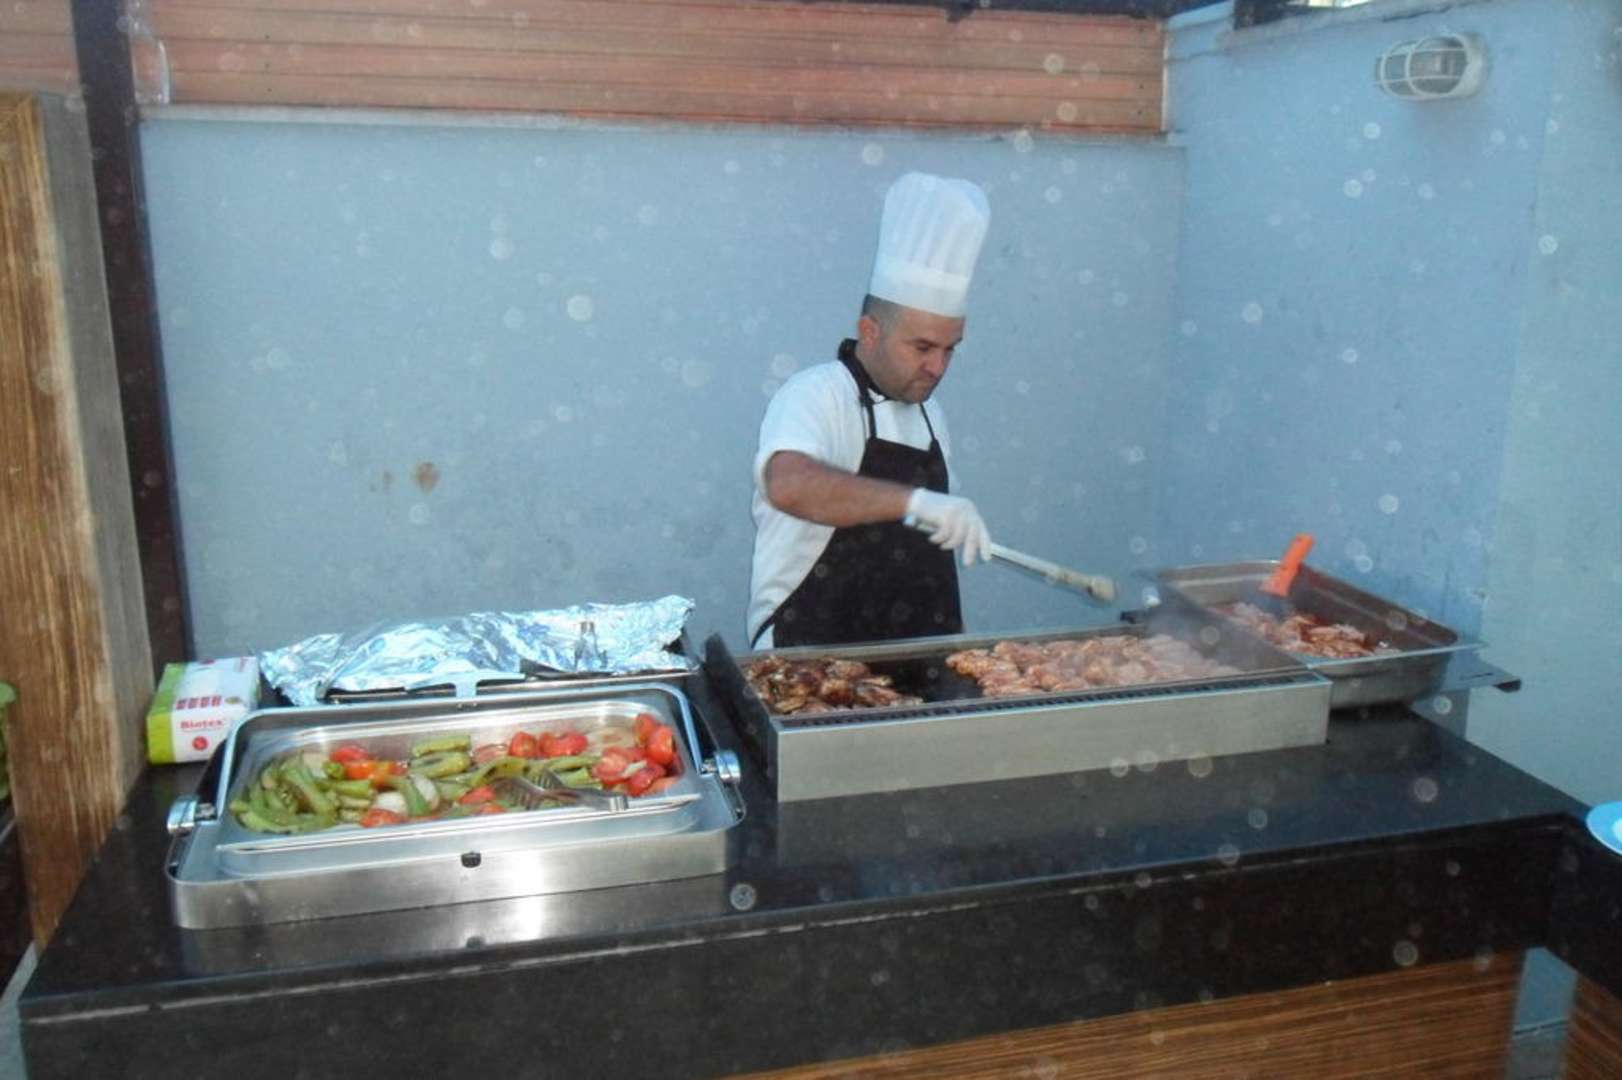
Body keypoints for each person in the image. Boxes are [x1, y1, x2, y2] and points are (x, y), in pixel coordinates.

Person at [747, 172, 994, 649]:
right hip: (809, 658)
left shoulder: (931, 416)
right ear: (870, 331)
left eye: (950, 349)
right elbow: (789, 484)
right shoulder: (816, 394)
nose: (938, 367)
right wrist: (913, 502)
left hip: (919, 662)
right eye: (922, 347)